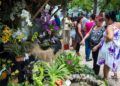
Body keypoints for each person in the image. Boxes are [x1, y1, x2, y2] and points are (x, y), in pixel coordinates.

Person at [93, 11, 120, 80]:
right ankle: (113, 76)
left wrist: (106, 39)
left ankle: (105, 79)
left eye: (105, 19)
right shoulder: (118, 24)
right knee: (112, 62)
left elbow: (110, 37)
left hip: (109, 48)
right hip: (116, 48)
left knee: (106, 64)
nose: (104, 20)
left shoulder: (109, 27)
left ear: (110, 19)